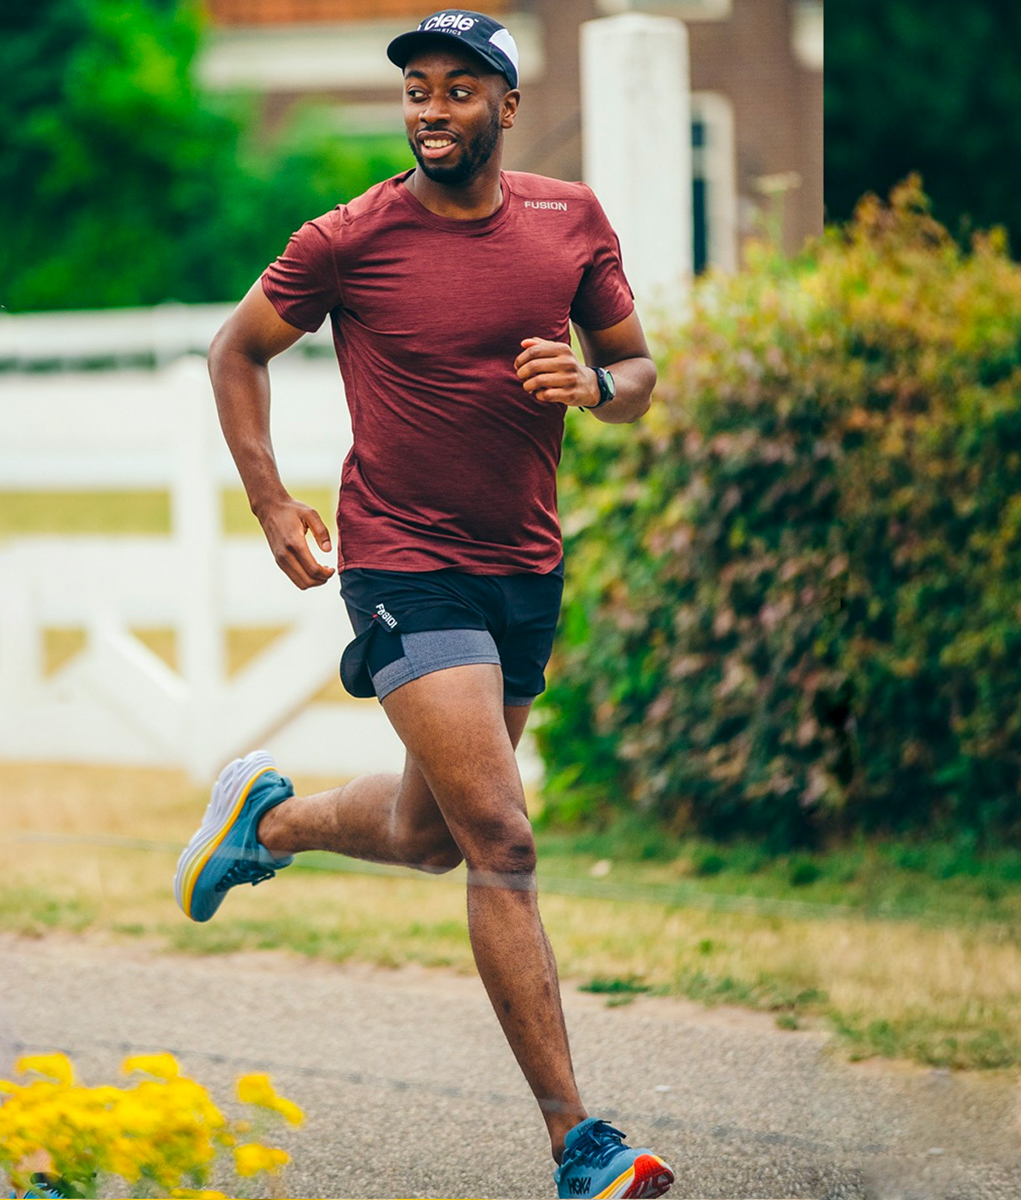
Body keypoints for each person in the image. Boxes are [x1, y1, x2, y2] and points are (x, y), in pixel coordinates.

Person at [175, 10, 674, 1198]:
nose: (432, 110)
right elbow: (235, 350)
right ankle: (579, 1145)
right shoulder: (351, 236)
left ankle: (269, 819)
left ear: (506, 106)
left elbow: (640, 374)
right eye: (417, 92)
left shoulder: (571, 221)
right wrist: (270, 502)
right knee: (502, 838)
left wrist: (596, 382)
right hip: (404, 562)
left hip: (523, 569)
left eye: (460, 90)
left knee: (428, 836)